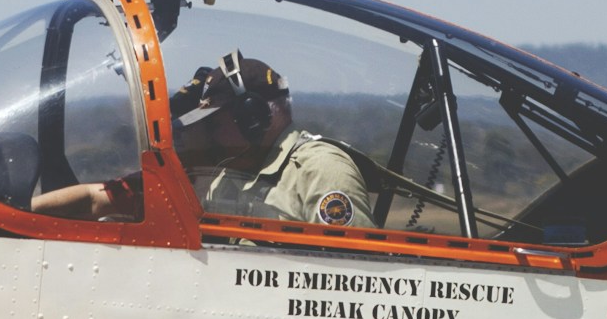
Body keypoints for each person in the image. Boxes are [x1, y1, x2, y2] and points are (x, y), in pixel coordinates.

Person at [174, 55, 427, 230]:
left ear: (253, 118)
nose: (209, 136)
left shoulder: (319, 171)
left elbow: (353, 276)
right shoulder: (227, 176)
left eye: (215, 125)